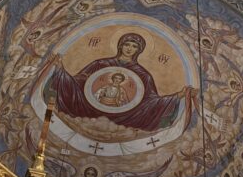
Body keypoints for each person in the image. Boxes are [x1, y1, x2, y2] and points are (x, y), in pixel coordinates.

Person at [50, 32, 194, 131]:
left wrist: (177, 96)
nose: (129, 48)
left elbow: (151, 101)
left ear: (139, 51)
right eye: (127, 44)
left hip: (126, 116)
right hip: (89, 107)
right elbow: (78, 83)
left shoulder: (144, 75)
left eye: (134, 46)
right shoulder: (100, 64)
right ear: (120, 45)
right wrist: (60, 69)